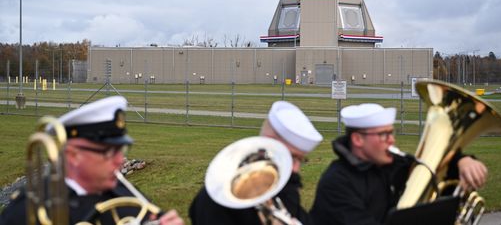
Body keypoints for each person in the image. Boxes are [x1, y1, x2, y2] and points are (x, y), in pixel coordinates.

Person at [0, 96, 184, 225]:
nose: (120, 161)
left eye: (121, 150)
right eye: (108, 153)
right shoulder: (28, 210)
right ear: (72, 155)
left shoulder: (128, 198)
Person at [310, 103, 488, 225]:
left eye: (391, 133)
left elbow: (435, 169)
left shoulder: (393, 163)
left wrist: (463, 161)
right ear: (358, 139)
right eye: (384, 135)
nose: (392, 140)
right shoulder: (336, 182)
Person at [189, 101, 323, 225]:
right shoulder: (219, 197)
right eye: (292, 157)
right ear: (269, 143)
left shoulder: (286, 187)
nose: (296, 168)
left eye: (301, 159)